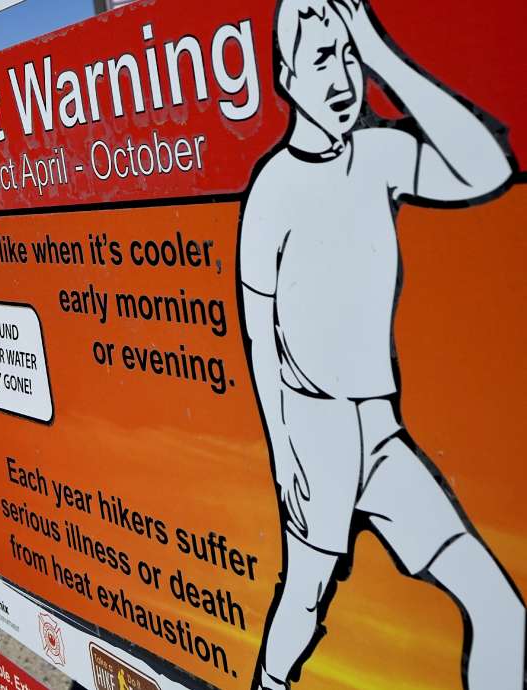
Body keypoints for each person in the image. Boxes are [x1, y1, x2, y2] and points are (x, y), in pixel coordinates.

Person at [238, 1, 524, 688]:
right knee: (302, 605)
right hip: (317, 435)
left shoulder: (379, 157)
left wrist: (380, 50)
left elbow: (487, 168)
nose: (339, 77)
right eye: (319, 59)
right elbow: (259, 336)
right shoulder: (273, 190)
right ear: (285, 76)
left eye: (346, 57)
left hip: (381, 432)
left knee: (499, 608)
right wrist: (286, 462)